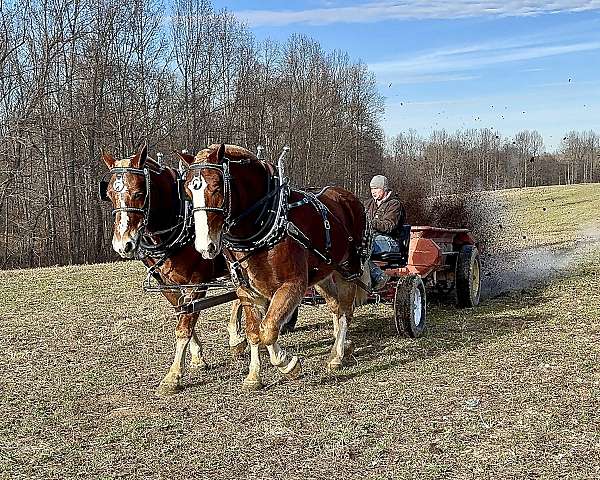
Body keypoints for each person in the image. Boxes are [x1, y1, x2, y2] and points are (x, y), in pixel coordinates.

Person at [364, 175, 406, 290]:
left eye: (376, 189)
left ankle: (379, 277)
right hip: (371, 238)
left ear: (384, 189)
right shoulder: (368, 204)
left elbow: (389, 226)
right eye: (372, 189)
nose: (373, 192)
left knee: (363, 246)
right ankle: (375, 277)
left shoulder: (394, 204)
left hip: (390, 241)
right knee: (355, 248)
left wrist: (369, 222)